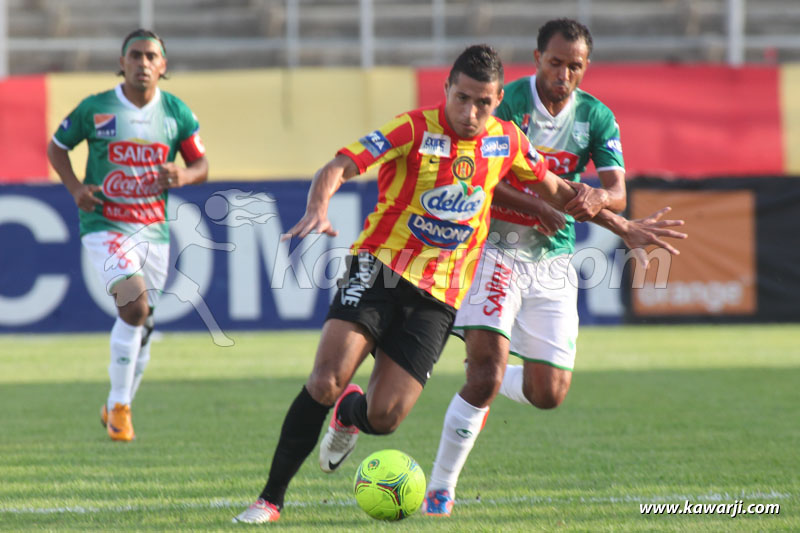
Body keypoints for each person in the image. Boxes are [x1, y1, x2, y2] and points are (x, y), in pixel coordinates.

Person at [233, 44, 684, 524]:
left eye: (483, 103)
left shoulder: (507, 140)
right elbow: (340, 165)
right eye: (463, 99)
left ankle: (352, 416)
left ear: (497, 101)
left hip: (439, 296)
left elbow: (559, 190)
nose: (471, 113)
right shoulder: (413, 127)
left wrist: (624, 226)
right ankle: (270, 499)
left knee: (385, 417)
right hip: (381, 267)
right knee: (325, 379)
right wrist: (319, 205)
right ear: (447, 89)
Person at [423, 18, 643, 516]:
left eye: (575, 66)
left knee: (549, 394)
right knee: (484, 377)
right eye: (556, 63)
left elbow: (617, 191)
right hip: (493, 247)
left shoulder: (596, 117)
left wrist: (597, 196)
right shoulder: (508, 102)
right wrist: (537, 206)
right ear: (538, 58)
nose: (564, 74)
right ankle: (440, 489)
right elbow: (478, 173)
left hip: (553, 257)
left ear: (586, 68)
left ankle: (488, 377)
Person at [47, 29, 209, 442]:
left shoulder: (176, 113)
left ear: (163, 66)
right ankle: (120, 407)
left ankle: (117, 403)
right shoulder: (96, 108)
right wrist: (75, 189)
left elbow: (202, 164)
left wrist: (185, 174)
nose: (142, 63)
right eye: (134, 55)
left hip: (153, 231)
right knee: (135, 306)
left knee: (144, 322)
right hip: (106, 226)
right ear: (122, 63)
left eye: (150, 56)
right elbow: (57, 147)